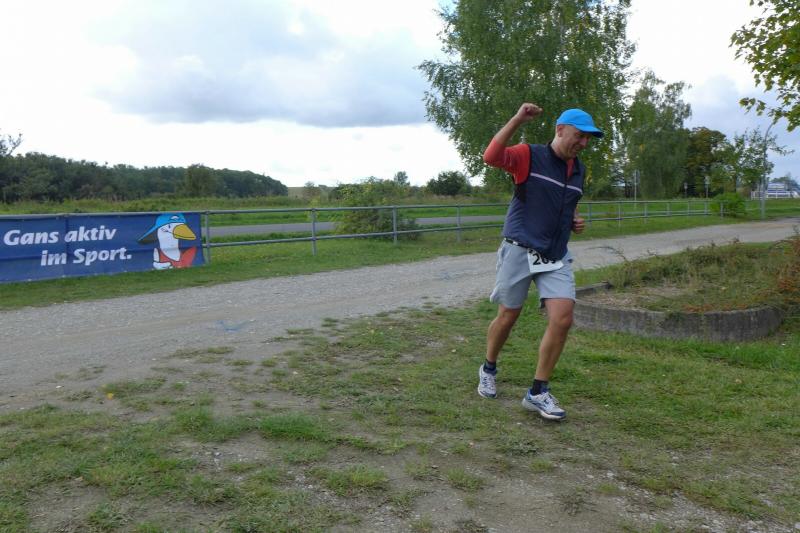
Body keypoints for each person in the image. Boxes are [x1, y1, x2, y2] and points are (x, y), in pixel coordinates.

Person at [477, 103, 602, 421]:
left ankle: (537, 392)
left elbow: (568, 201)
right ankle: (488, 368)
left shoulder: (579, 169)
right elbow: (491, 157)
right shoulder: (528, 155)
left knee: (563, 318)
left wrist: (574, 219)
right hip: (520, 248)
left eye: (588, 139)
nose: (584, 143)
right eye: (579, 136)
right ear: (560, 130)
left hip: (555, 254)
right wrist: (517, 118)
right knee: (508, 316)